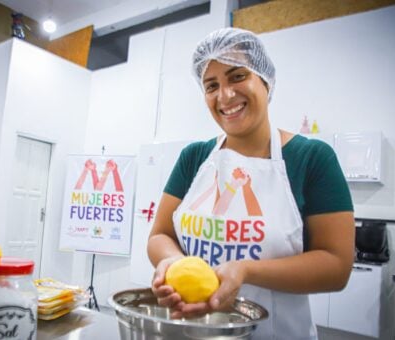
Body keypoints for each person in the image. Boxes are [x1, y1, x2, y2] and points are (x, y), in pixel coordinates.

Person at [147, 27, 355, 339]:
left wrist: (245, 270)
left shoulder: (311, 158)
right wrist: (175, 263)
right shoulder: (194, 157)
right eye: (211, 85)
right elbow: (159, 235)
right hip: (194, 331)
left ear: (265, 80)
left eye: (237, 76)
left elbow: (336, 267)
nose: (225, 95)